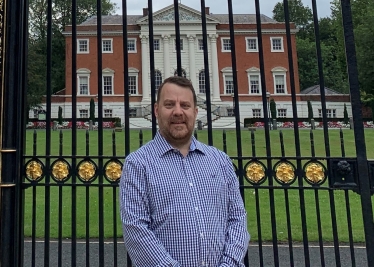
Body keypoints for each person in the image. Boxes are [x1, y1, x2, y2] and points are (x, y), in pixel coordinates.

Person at [119, 76, 250, 266]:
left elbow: (237, 218)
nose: (178, 112)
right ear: (156, 110)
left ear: (196, 112)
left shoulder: (220, 160)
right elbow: (136, 231)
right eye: (169, 104)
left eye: (185, 105)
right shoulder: (138, 164)